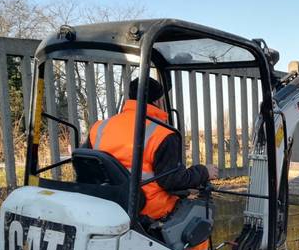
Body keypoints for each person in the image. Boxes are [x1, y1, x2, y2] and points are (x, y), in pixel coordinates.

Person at [86, 77, 218, 220]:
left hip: (109, 203)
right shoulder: (162, 134)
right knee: (198, 222)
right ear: (157, 101)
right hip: (146, 209)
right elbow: (172, 181)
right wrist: (204, 171)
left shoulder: (98, 128)